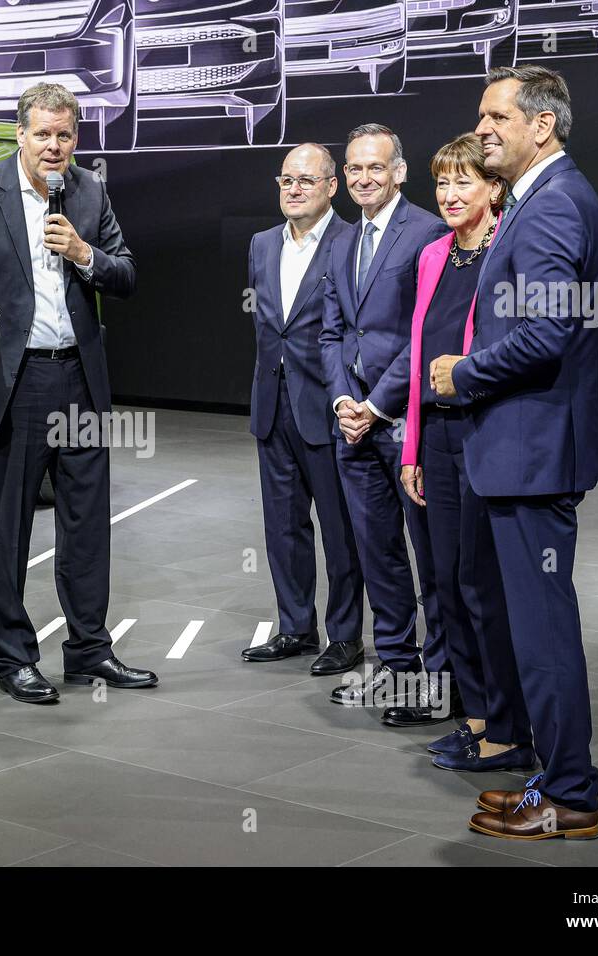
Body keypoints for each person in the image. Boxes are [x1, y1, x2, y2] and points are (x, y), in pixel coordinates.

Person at [430, 65, 598, 840]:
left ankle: (569, 797)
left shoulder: (550, 208)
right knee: (540, 630)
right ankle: (556, 778)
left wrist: (461, 374)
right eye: (481, 116)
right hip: (529, 450)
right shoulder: (548, 200)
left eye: (497, 117)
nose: (483, 130)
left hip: (530, 452)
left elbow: (545, 336)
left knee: (542, 635)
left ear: (542, 125)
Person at [0, 83, 157, 703]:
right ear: (21, 134)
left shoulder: (90, 190)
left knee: (87, 523)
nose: (55, 146)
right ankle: (14, 657)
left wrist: (86, 253)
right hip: (13, 382)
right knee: (7, 528)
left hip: (79, 380)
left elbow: (126, 273)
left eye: (65, 135)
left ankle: (89, 649)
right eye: (43, 134)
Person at [396, 133, 534, 773]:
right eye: (442, 184)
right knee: (447, 583)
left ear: (494, 189)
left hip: (488, 434)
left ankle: (507, 731)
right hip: (439, 438)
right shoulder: (431, 258)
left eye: (464, 183)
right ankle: (476, 719)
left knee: (484, 586)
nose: (449, 195)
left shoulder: (509, 249)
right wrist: (413, 448)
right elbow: (422, 355)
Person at [317, 124, 453, 724]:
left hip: (405, 428)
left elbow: (425, 337)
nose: (363, 178)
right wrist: (346, 401)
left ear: (399, 171)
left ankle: (444, 684)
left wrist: (376, 405)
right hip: (355, 428)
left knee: (432, 560)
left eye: (375, 168)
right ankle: (398, 671)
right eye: (353, 170)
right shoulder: (343, 240)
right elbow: (331, 332)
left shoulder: (427, 233)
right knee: (379, 557)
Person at [240, 144, 364, 670]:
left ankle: (345, 636)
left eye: (306, 180)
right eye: (286, 180)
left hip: (330, 406)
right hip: (273, 405)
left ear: (332, 186)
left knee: (340, 530)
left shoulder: (351, 242)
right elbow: (269, 328)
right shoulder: (262, 244)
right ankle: (295, 628)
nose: (293, 189)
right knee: (283, 526)